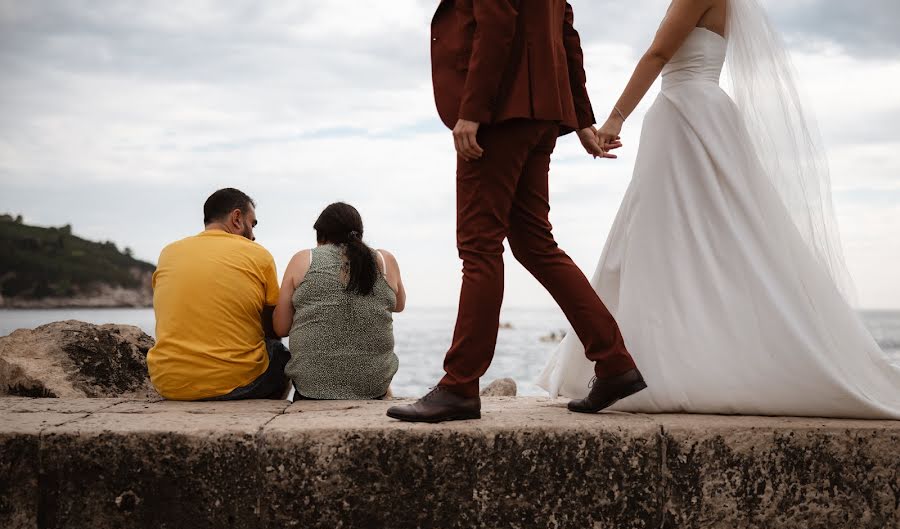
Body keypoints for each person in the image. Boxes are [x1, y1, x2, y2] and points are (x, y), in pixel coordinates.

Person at [539, 0, 900, 418]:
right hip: (698, 112)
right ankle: (653, 358)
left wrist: (615, 119)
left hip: (684, 113)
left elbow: (658, 54)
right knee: (690, 234)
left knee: (660, 235)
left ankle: (654, 364)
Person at [387, 1, 646, 424]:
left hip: (500, 112)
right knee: (534, 244)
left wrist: (472, 112)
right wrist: (581, 119)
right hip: (543, 112)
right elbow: (566, 35)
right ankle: (615, 363)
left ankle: (459, 386)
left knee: (479, 246)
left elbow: (497, 21)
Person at [148, 188, 289, 401]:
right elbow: (273, 329)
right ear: (236, 218)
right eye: (252, 224)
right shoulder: (258, 254)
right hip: (233, 383)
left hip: (169, 383)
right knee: (280, 353)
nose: (253, 234)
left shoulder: (169, 252)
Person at [274, 202, 405, 401]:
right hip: (374, 387)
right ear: (359, 234)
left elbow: (281, 328)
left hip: (312, 388)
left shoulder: (303, 260)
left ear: (321, 235)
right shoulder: (384, 260)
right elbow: (399, 304)